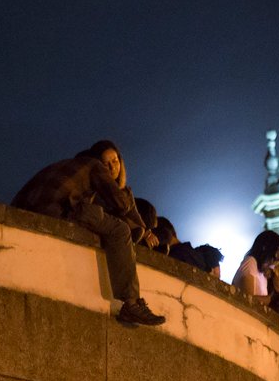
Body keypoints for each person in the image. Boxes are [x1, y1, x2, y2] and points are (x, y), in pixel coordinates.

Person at [12, 140, 165, 326]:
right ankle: (132, 304)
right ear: (98, 161)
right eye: (107, 163)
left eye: (115, 161)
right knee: (120, 230)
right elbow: (121, 204)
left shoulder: (71, 166)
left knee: (106, 221)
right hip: (58, 210)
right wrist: (123, 190)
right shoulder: (95, 167)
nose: (112, 167)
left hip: (27, 209)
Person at [230, 230, 279, 305]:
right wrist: (269, 300)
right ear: (265, 248)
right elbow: (247, 299)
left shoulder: (263, 272)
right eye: (277, 254)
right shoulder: (250, 262)